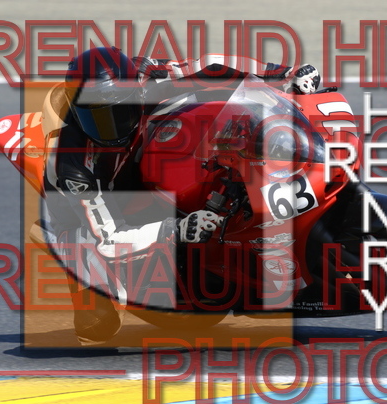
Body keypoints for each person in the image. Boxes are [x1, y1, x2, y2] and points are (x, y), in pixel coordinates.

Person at [42, 46, 321, 345]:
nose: (109, 128)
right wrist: (176, 229)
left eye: (118, 112)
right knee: (97, 326)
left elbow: (212, 63)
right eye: (95, 117)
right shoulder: (74, 169)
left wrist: (284, 75)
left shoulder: (143, 73)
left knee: (212, 114)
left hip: (143, 151)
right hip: (97, 214)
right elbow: (109, 239)